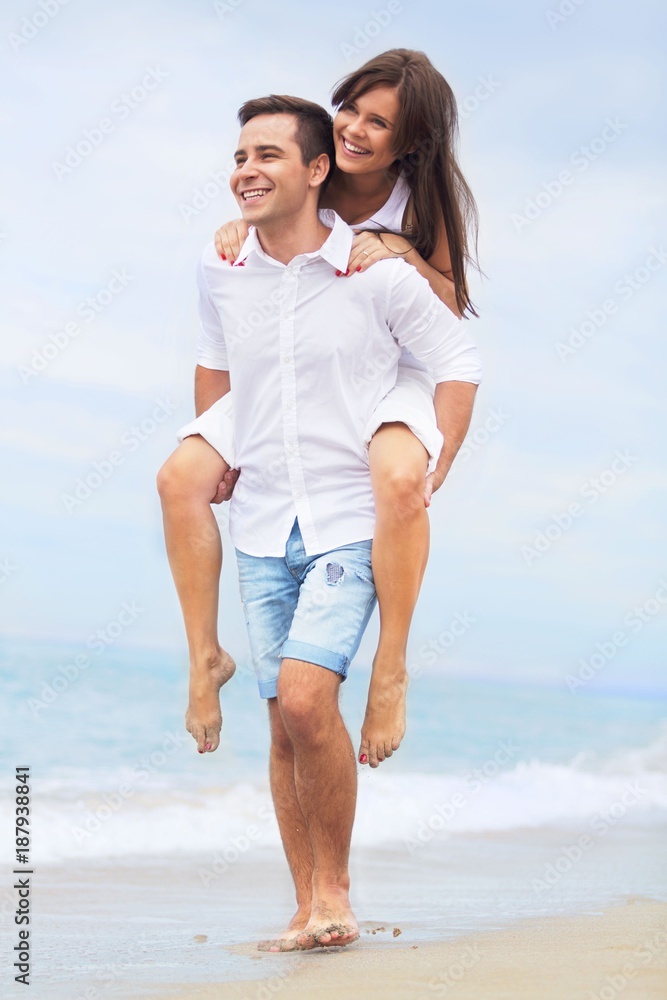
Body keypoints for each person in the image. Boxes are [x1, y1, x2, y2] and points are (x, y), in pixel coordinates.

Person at [157, 94, 481, 950]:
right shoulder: (221, 266)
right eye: (238, 156)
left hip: (344, 513)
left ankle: (334, 890)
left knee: (306, 700)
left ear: (315, 171)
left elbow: (457, 354)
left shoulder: (374, 269)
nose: (245, 170)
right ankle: (308, 908)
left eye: (268, 154)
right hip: (263, 513)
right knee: (283, 722)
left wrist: (434, 456)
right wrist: (219, 447)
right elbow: (214, 364)